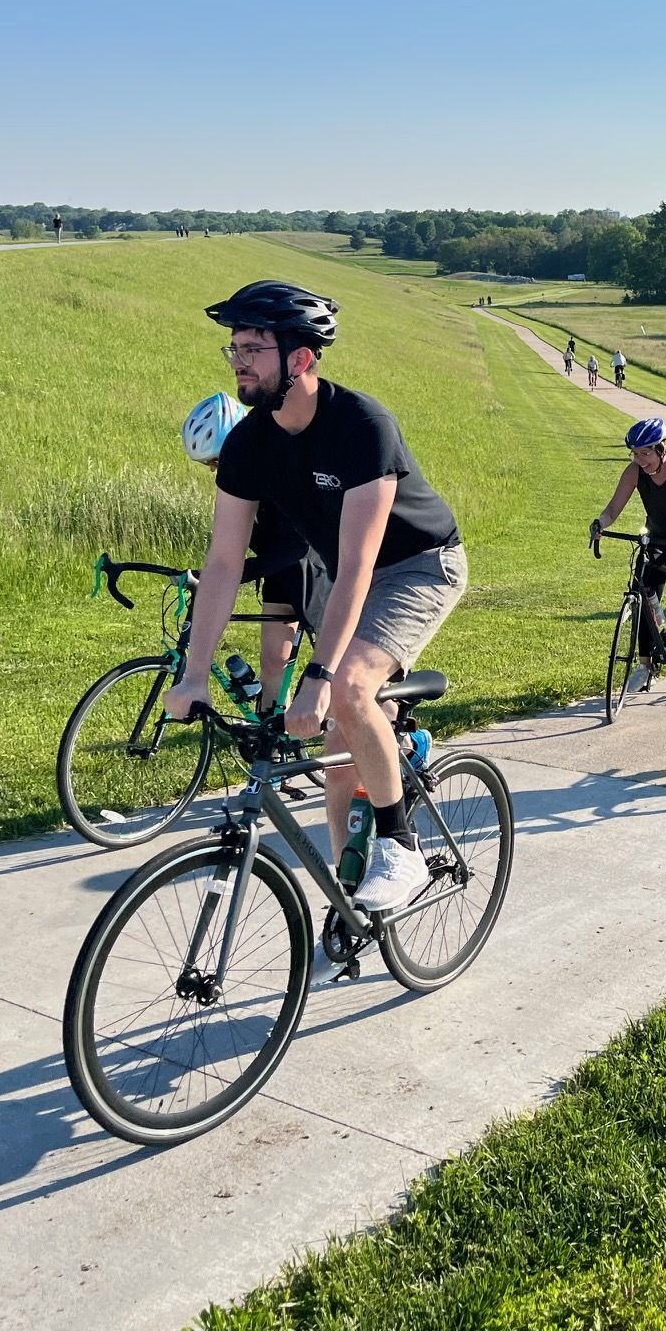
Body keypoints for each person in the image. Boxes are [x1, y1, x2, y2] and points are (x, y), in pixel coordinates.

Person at [166, 281, 467, 912]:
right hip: (348, 572)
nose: (238, 361)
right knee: (336, 754)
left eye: (253, 349)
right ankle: (348, 900)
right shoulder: (249, 443)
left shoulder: (361, 426)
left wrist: (320, 676)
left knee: (349, 688)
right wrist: (194, 674)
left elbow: (360, 564)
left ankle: (402, 848)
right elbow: (222, 563)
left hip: (417, 567)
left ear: (300, 358)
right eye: (234, 348)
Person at [180, 393, 327, 709]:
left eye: (217, 460)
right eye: (210, 464)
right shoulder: (240, 480)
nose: (216, 470)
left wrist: (240, 573)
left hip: (317, 573)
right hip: (280, 572)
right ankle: (270, 734)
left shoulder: (280, 468)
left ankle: (399, 729)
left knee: (340, 674)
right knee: (273, 661)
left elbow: (296, 545)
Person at [590, 417, 666, 658]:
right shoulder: (634, 471)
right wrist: (600, 523)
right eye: (635, 454)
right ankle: (646, 664)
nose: (640, 460)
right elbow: (612, 510)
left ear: (662, 448)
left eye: (645, 453)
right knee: (642, 588)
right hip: (658, 535)